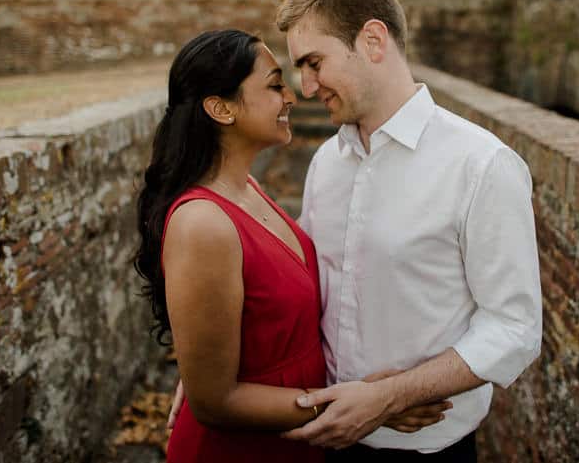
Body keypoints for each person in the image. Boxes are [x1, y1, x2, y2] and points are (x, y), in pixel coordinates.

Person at [136, 29, 447, 463]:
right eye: (274, 84)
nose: (292, 97)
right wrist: (357, 404)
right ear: (220, 108)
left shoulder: (249, 188)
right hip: (242, 449)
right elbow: (213, 402)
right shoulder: (202, 224)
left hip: (295, 435)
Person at [272, 0, 543, 461]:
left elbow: (515, 327)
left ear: (373, 40)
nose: (306, 87)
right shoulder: (326, 164)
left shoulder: (481, 165)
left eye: (314, 63)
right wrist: (216, 373)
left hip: (427, 450)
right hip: (325, 436)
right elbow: (303, 292)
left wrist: (393, 396)